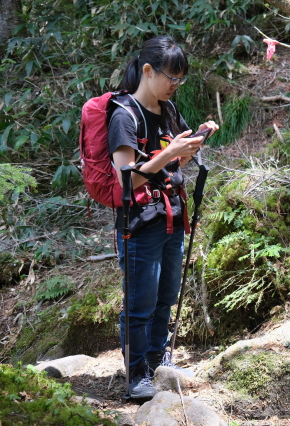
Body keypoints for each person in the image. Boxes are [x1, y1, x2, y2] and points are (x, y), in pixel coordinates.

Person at [108, 35, 218, 399]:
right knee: (140, 302)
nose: (175, 85)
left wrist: (194, 142)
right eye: (171, 77)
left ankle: (157, 361)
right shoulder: (124, 116)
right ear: (148, 71)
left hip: (172, 215)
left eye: (180, 79)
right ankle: (135, 374)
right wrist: (169, 153)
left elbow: (174, 164)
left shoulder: (168, 110)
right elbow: (126, 178)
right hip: (140, 223)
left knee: (166, 296)